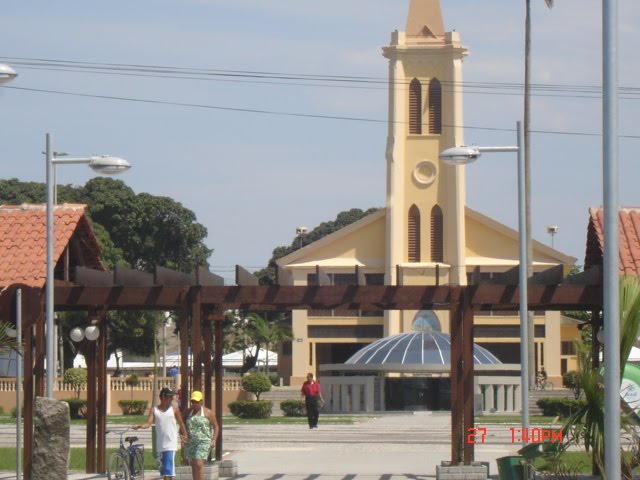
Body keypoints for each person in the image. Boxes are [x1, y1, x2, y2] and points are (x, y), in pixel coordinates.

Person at [133, 387, 188, 480]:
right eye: (170, 397)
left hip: (171, 444)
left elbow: (181, 423)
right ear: (163, 397)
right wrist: (140, 426)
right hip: (160, 445)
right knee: (165, 473)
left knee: (167, 471)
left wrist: (185, 434)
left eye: (172, 397)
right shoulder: (154, 410)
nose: (171, 399)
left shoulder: (174, 409)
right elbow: (148, 423)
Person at [183, 390, 220, 480]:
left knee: (199, 464)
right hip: (191, 442)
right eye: (193, 402)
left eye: (196, 402)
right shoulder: (188, 412)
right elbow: (182, 425)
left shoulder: (208, 413)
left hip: (203, 441)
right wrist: (182, 435)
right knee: (194, 465)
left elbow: (216, 427)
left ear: (201, 401)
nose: (194, 404)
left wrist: (214, 439)